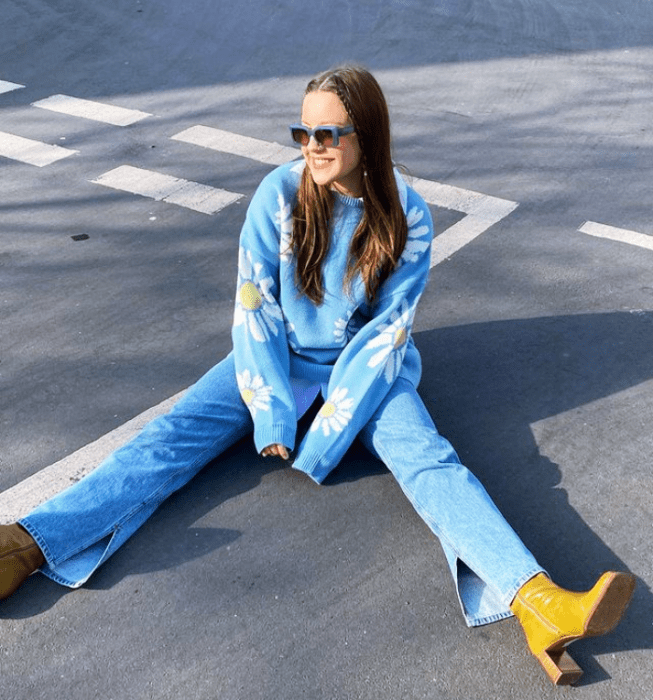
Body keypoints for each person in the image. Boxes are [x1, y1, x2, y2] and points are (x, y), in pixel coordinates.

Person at [0, 65, 634, 686]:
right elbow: (254, 308)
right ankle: (24, 546)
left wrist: (329, 430)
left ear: (368, 137)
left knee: (430, 460)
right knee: (172, 436)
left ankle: (539, 603)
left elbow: (387, 333)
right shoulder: (277, 195)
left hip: (368, 368)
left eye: (327, 134)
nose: (311, 148)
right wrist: (274, 409)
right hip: (274, 358)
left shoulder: (407, 216)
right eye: (301, 133)